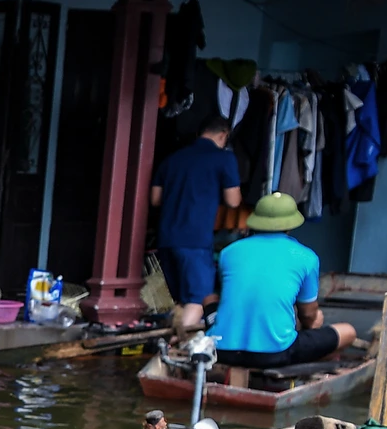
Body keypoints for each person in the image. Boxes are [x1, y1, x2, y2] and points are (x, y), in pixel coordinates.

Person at [208, 192, 358, 368]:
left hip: (220, 351)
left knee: (211, 299)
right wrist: (313, 322)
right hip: (273, 354)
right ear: (290, 226)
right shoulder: (306, 257)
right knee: (347, 331)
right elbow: (308, 315)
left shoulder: (228, 252)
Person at [149, 112, 242, 335]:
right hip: (195, 239)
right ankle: (179, 350)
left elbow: (155, 200)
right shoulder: (224, 158)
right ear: (223, 135)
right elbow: (233, 200)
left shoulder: (172, 159)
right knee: (197, 299)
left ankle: (168, 346)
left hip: (166, 238)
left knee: (180, 299)